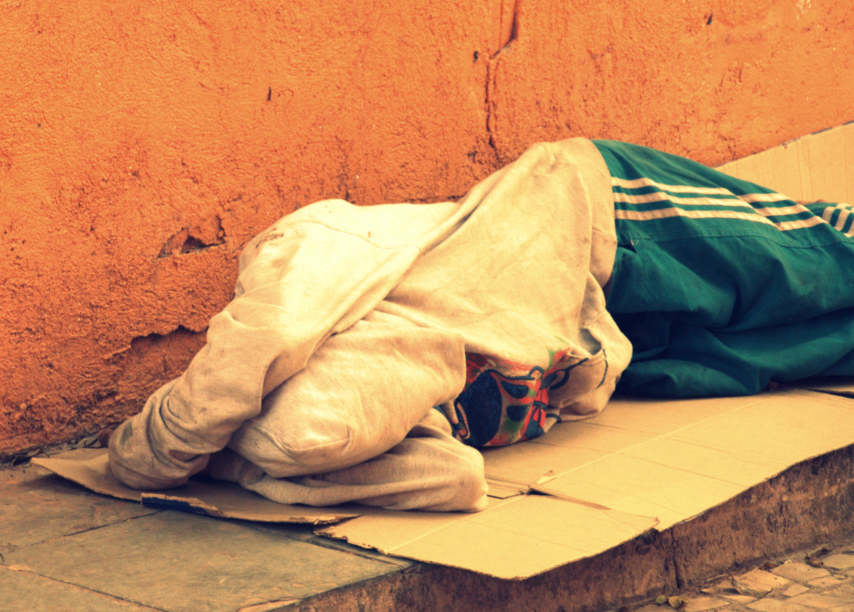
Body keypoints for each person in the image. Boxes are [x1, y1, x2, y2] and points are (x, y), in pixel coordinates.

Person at [106, 138, 854, 513]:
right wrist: (242, 463)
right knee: (816, 348)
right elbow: (457, 478)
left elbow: (267, 339)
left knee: (823, 259)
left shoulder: (302, 249)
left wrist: (171, 451)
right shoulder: (317, 419)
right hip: (604, 344)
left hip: (595, 215)